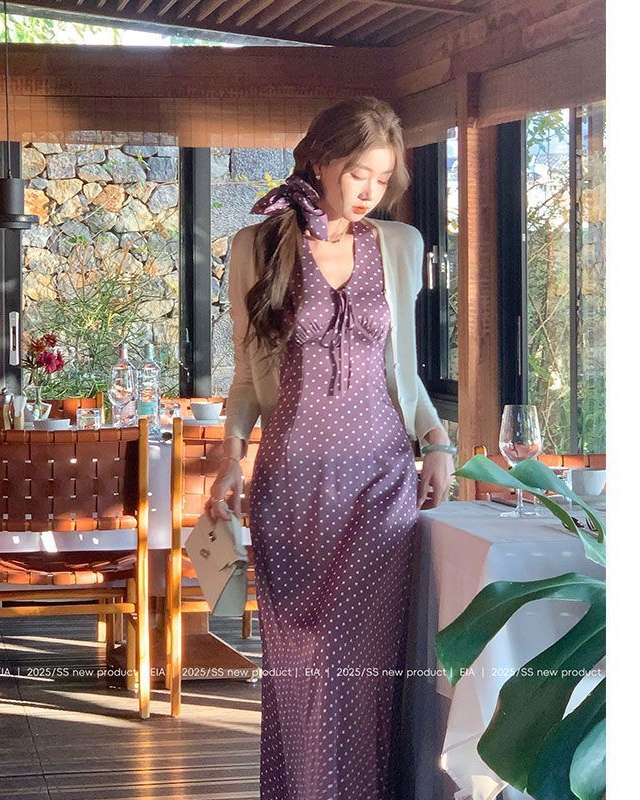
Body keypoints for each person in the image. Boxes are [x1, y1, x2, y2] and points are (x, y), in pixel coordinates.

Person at [205, 96, 455, 799]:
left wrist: (437, 442)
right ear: (320, 160)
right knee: (303, 661)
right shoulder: (257, 246)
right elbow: (247, 375)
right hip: (291, 485)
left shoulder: (398, 246)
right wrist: (230, 456)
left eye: (383, 177)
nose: (371, 190)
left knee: (366, 660)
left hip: (380, 481)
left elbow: (404, 372)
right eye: (357, 173)